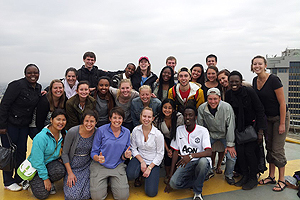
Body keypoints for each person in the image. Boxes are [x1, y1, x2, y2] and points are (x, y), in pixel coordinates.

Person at [251, 56, 290, 192]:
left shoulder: (273, 80)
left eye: (260, 64)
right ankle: (271, 176)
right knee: (269, 147)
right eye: (255, 64)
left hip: (280, 117)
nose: (257, 66)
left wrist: (282, 124)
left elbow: (282, 103)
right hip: (267, 119)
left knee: (277, 149)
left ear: (265, 65)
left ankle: (282, 180)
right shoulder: (255, 80)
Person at [0, 64, 41, 191]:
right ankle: (8, 181)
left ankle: (19, 178)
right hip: (10, 125)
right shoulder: (16, 85)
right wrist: (2, 126)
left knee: (21, 152)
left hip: (24, 126)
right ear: (25, 74)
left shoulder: (38, 88)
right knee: (9, 153)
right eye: (30, 73)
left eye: (35, 73)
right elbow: (4, 104)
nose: (33, 75)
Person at [225, 71, 266, 190]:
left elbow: (259, 110)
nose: (234, 84)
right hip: (237, 129)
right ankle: (245, 175)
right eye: (231, 81)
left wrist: (260, 131)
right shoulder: (228, 94)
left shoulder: (249, 92)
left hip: (251, 128)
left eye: (236, 81)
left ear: (241, 82)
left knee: (250, 153)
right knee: (241, 154)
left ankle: (253, 178)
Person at [166, 106, 212, 200]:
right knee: (174, 184)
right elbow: (176, 151)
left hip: (200, 161)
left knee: (203, 162)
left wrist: (191, 156)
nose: (187, 117)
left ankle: (197, 192)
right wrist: (171, 175)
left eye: (190, 115)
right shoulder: (179, 130)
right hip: (186, 163)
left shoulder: (203, 130)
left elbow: (208, 152)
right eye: (185, 115)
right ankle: (198, 180)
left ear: (195, 117)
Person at [197, 88, 237, 185]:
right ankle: (208, 171)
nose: (213, 101)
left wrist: (230, 144)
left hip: (224, 134)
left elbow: (231, 126)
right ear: (207, 98)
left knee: (231, 156)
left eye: (215, 99)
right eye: (210, 99)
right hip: (210, 134)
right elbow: (200, 126)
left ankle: (229, 175)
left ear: (219, 98)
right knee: (202, 153)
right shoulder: (202, 108)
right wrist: (202, 143)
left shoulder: (227, 107)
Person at [90, 107, 131, 200]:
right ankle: (106, 182)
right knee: (97, 197)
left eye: (120, 118)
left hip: (117, 165)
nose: (117, 120)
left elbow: (125, 153)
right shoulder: (101, 130)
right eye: (114, 118)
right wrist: (97, 158)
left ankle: (112, 182)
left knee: (122, 197)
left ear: (123, 119)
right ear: (110, 118)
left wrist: (126, 155)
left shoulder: (127, 132)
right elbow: (93, 152)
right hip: (100, 165)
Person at [28, 109, 67, 199]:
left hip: (50, 164)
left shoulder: (64, 134)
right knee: (42, 195)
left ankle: (50, 181)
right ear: (51, 120)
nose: (61, 122)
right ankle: (32, 181)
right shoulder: (41, 137)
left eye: (63, 120)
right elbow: (37, 161)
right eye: (58, 119)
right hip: (37, 169)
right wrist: (45, 178)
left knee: (60, 170)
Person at [126, 107, 164, 197]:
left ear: (153, 119)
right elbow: (133, 148)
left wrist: (150, 168)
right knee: (130, 174)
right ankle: (139, 174)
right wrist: (142, 161)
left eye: (149, 117)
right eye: (144, 116)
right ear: (140, 116)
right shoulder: (136, 130)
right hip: (140, 158)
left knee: (151, 193)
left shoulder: (158, 134)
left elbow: (160, 154)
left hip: (153, 161)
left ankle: (146, 175)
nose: (146, 119)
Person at [62, 109, 98, 200]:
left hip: (87, 166)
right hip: (73, 166)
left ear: (96, 122)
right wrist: (70, 173)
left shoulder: (97, 132)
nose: (89, 124)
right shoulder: (73, 132)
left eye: (92, 121)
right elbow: (65, 154)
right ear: (83, 121)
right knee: (72, 196)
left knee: (88, 194)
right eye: (86, 121)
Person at [154, 99, 184, 184]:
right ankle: (167, 174)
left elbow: (180, 134)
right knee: (168, 157)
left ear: (174, 109)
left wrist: (174, 149)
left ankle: (175, 173)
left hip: (178, 139)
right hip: (164, 140)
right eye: (165, 107)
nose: (167, 110)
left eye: (170, 108)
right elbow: (160, 136)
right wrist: (168, 150)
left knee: (177, 156)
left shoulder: (179, 117)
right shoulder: (158, 119)